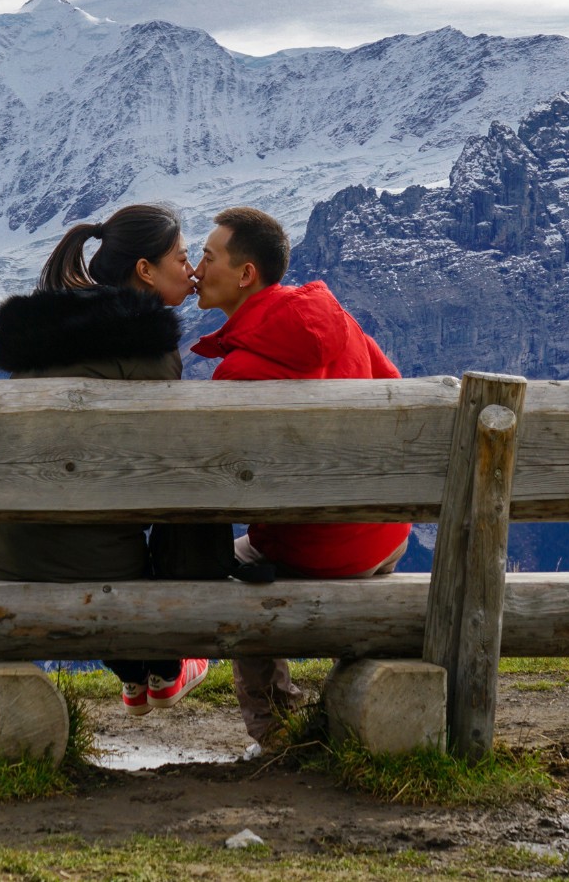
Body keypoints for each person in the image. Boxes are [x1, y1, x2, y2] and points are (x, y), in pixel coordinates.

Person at [0, 202, 227, 716]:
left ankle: (143, 673)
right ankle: (166, 662)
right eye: (182, 259)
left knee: (89, 526)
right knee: (196, 486)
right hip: (97, 559)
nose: (191, 271)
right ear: (145, 270)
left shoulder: (39, 335)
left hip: (6, 548)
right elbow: (164, 470)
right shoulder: (148, 349)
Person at [190, 205, 407, 749]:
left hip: (315, 551)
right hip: (386, 535)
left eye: (208, 256)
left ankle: (277, 732)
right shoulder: (337, 319)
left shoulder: (238, 372)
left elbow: (224, 483)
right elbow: (397, 389)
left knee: (230, 566)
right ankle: (357, 702)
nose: (196, 268)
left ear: (246, 274)